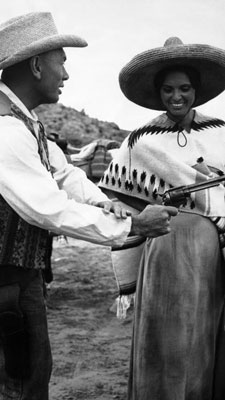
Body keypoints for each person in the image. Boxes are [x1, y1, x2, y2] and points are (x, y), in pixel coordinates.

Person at [0, 12, 177, 400]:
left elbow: (65, 176)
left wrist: (106, 201)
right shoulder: (7, 130)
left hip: (20, 278)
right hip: (6, 283)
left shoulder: (25, 124)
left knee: (33, 370)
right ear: (35, 65)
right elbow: (48, 208)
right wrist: (132, 227)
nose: (65, 75)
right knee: (21, 383)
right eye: (61, 62)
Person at [99, 37, 225, 400]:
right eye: (168, 89)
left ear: (196, 90)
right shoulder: (141, 141)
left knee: (205, 331)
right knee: (164, 332)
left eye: (184, 88)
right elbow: (119, 197)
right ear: (158, 93)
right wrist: (120, 210)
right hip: (163, 252)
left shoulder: (219, 133)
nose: (176, 97)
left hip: (210, 251)